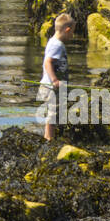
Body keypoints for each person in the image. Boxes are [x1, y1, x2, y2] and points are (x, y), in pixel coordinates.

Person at [39, 13, 75, 141]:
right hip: (51, 87)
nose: (72, 36)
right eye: (72, 33)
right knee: (52, 114)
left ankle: (50, 136)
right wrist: (54, 80)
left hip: (53, 86)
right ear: (67, 30)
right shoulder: (57, 45)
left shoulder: (53, 42)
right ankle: (48, 138)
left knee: (55, 113)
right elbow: (48, 62)